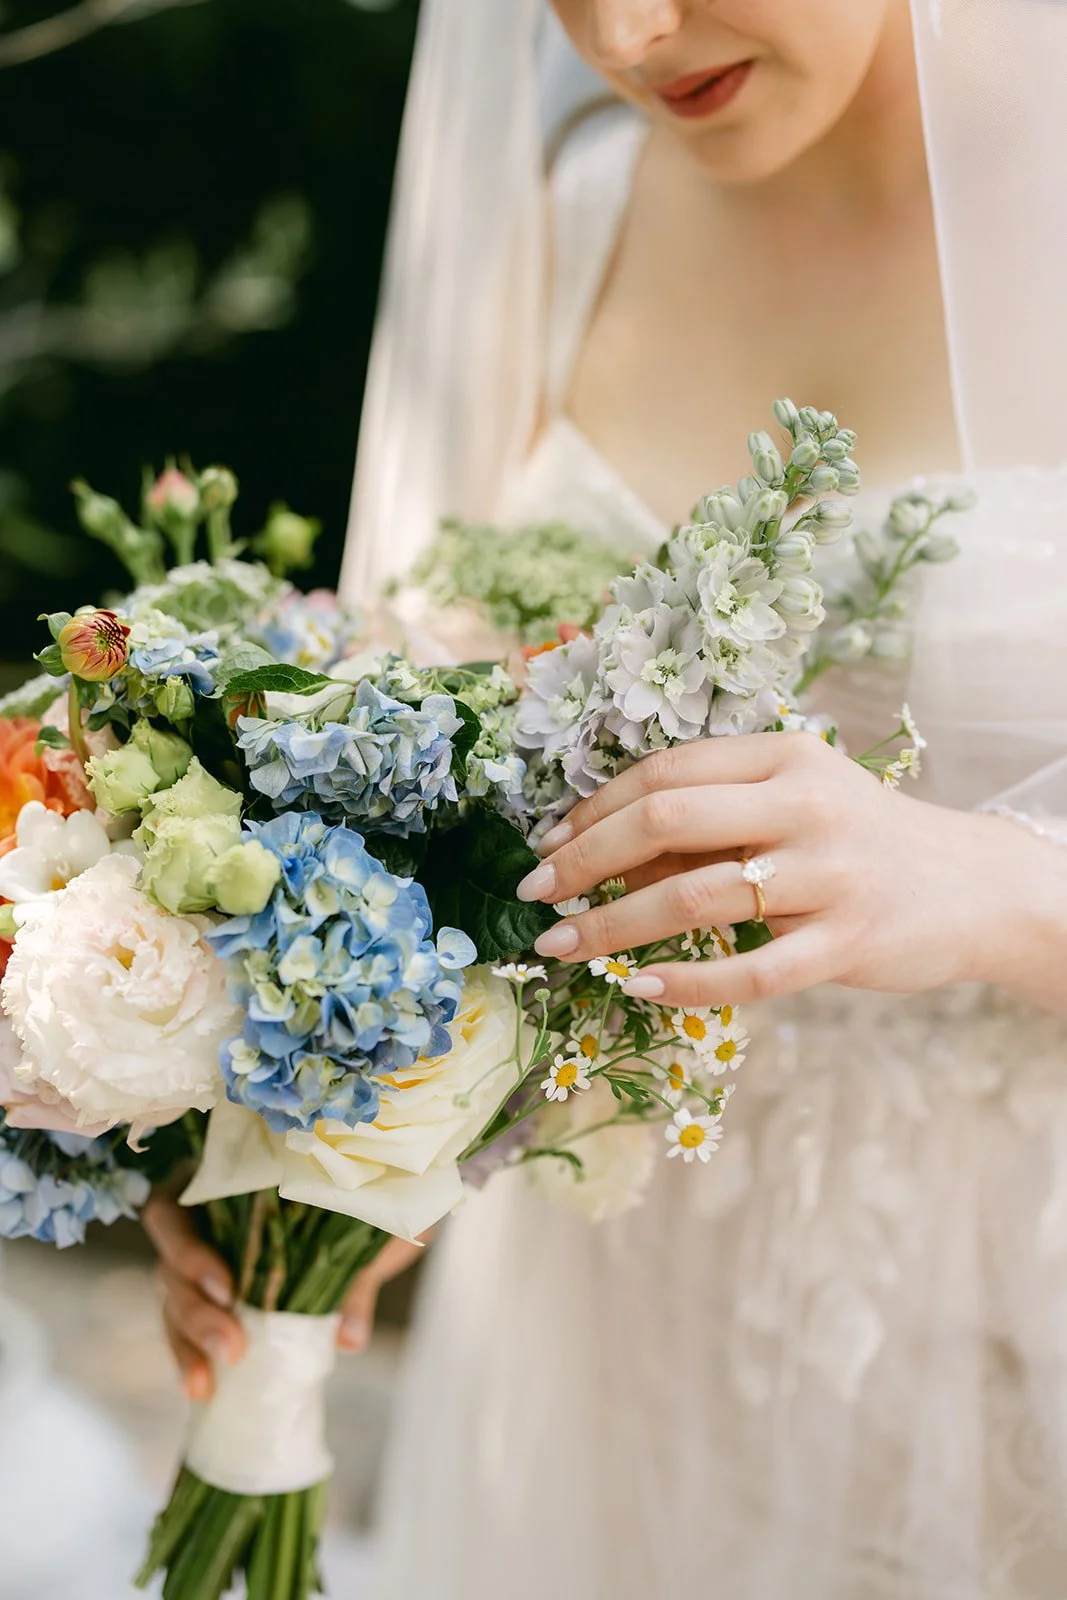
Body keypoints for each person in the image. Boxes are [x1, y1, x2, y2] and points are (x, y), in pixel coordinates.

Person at [153, 1, 1067, 1593]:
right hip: (607, 1338)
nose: (624, 34)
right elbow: (405, 779)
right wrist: (306, 1153)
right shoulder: (552, 216)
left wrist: (993, 883)